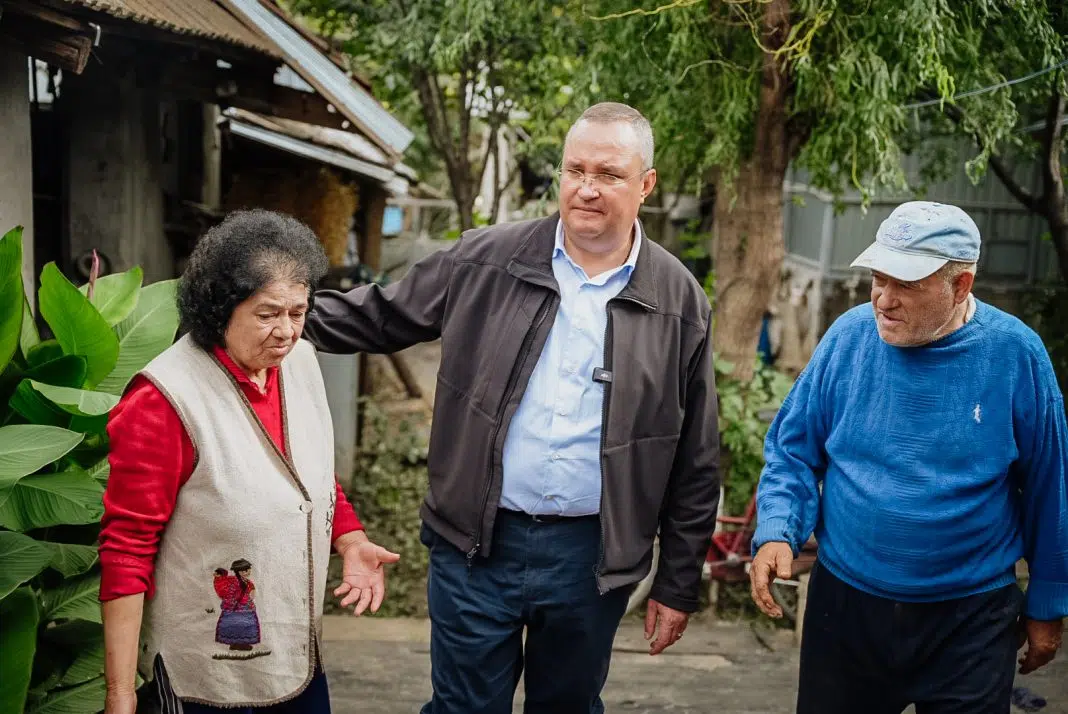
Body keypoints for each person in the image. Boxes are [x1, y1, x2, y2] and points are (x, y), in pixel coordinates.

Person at [302, 102, 720, 713]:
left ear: (646, 185)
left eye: (608, 174)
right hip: (477, 542)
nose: (586, 188)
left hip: (592, 558)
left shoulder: (677, 299)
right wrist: (276, 317)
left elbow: (695, 457)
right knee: (464, 708)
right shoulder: (486, 259)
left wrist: (680, 581)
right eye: (575, 169)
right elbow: (382, 314)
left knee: (568, 706)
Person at [749, 201, 1068, 713]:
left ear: (961, 285)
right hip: (847, 608)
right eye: (878, 278)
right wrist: (776, 530)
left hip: (971, 620)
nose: (883, 299)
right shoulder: (848, 339)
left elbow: (1051, 487)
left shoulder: (1016, 355)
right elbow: (792, 450)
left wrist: (1049, 604)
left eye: (906, 285)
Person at [99, 210, 401, 714]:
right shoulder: (166, 399)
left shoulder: (298, 361)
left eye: (298, 312)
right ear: (220, 307)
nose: (286, 331)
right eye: (267, 314)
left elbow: (309, 475)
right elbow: (127, 551)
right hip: (205, 680)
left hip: (295, 662)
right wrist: (121, 696)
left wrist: (349, 538)